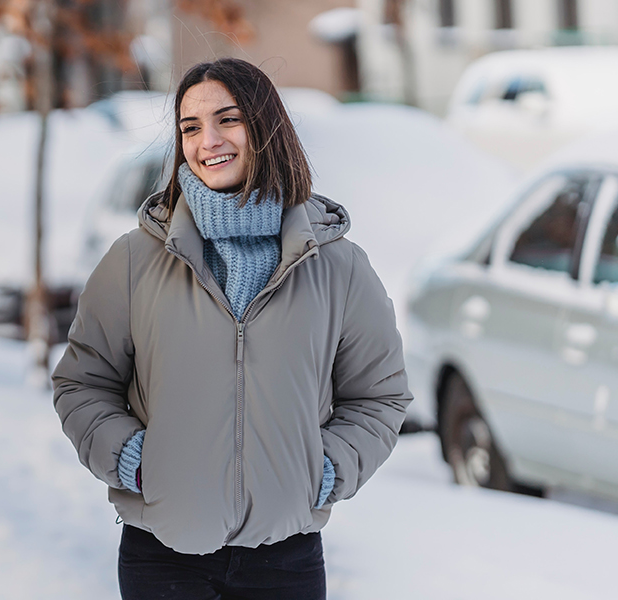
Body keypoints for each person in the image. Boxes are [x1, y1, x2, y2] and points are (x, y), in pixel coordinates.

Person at [52, 58, 412, 599]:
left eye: (229, 119)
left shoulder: (337, 265)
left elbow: (379, 395)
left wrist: (328, 469)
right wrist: (135, 462)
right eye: (191, 127)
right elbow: (82, 384)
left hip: (285, 562)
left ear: (266, 127)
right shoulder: (133, 261)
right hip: (163, 558)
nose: (208, 140)